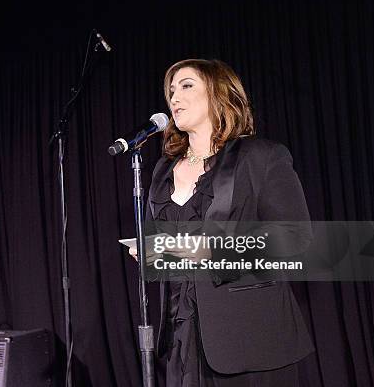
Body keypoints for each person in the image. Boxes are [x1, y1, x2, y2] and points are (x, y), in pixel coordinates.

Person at [129, 59, 313, 386]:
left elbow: (295, 239)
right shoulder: (162, 171)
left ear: (218, 93)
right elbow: (161, 258)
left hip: (252, 338)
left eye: (186, 86)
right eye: (171, 90)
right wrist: (151, 253)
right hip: (182, 338)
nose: (174, 97)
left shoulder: (262, 157)